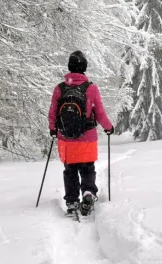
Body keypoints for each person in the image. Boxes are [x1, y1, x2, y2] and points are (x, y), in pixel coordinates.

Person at [48, 51, 114, 216]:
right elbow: (99, 112)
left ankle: (71, 202)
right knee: (87, 169)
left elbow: (53, 113)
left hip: (66, 139)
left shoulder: (60, 89)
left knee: (70, 171)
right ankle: (88, 193)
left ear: (69, 67)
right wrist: (108, 127)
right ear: (84, 67)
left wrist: (53, 129)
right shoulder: (91, 88)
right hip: (87, 139)